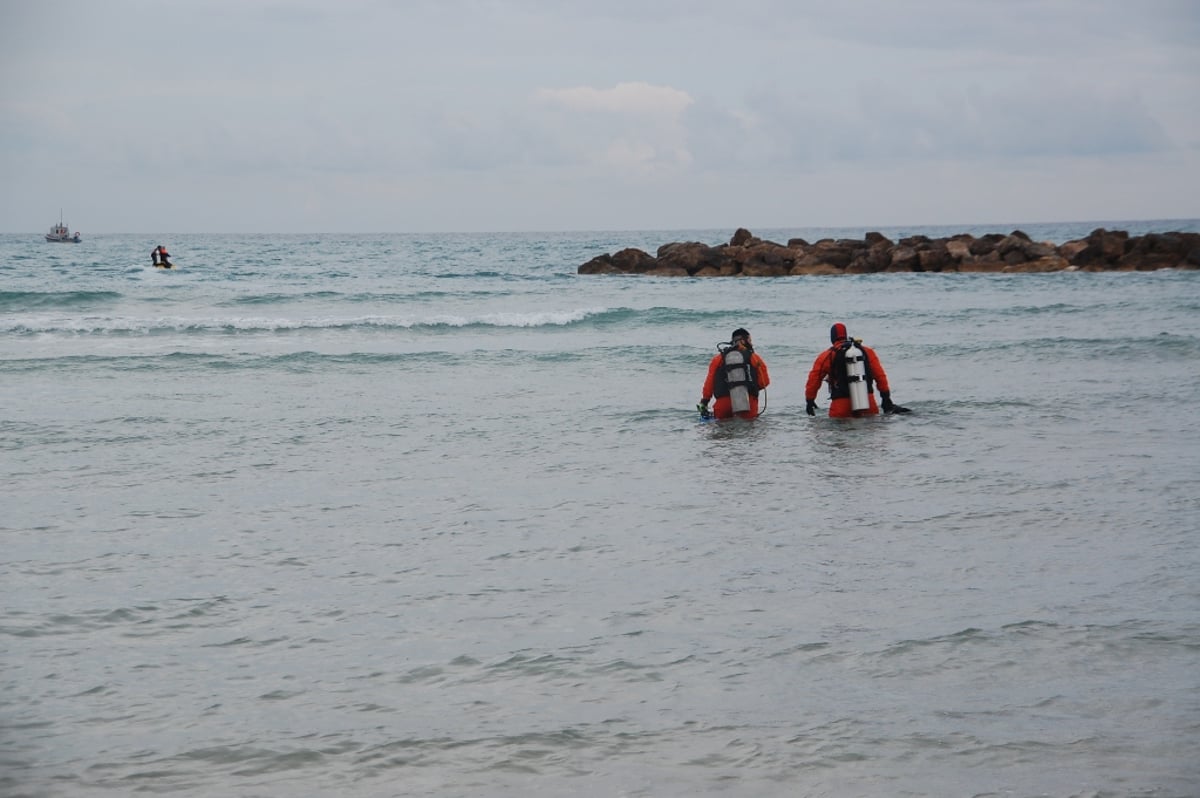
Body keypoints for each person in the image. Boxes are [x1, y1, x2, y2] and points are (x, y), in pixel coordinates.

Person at [805, 322, 909, 418]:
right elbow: (880, 376)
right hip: (867, 402)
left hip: (841, 406)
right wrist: (886, 398)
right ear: (846, 335)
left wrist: (810, 400)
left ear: (832, 337)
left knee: (839, 435)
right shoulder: (866, 351)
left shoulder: (827, 356)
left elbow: (814, 380)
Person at [699, 328, 770, 420]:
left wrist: (704, 401)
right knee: (749, 431)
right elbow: (765, 382)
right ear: (743, 341)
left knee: (722, 431)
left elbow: (709, 383)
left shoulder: (718, 359)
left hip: (723, 405)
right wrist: (750, 387)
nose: (751, 344)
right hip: (748, 403)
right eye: (750, 340)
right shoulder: (754, 358)